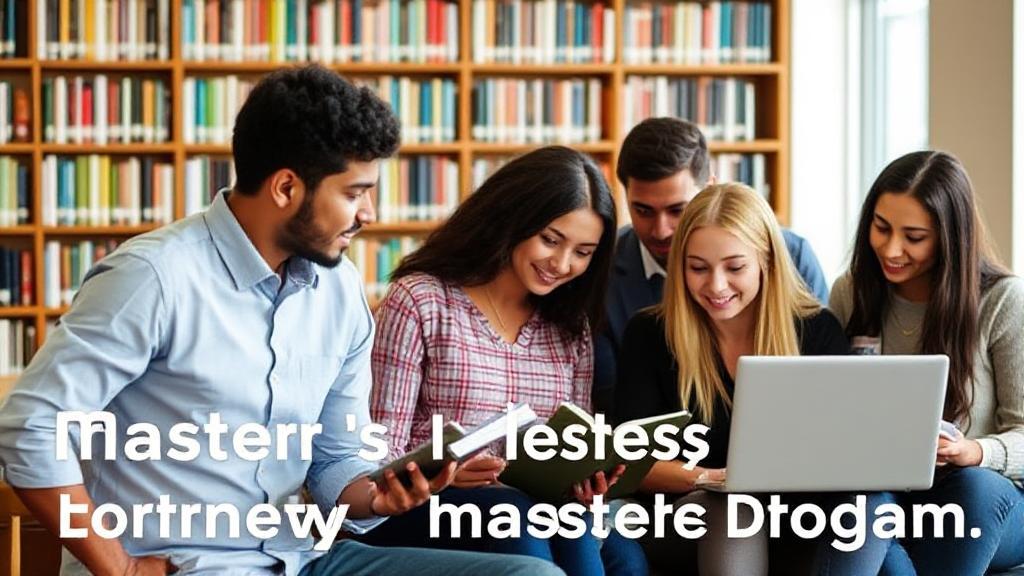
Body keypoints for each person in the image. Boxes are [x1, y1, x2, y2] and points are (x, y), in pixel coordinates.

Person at [0, 65, 563, 576]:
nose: (370, 214)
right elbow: (31, 426)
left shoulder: (337, 287)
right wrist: (118, 567)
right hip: (188, 564)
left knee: (530, 575)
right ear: (287, 187)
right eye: (355, 193)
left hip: (302, 557)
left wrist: (377, 495)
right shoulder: (152, 277)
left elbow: (338, 458)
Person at [363, 146, 647, 576]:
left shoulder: (570, 327)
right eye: (550, 240)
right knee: (514, 515)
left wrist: (586, 480)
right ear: (512, 217)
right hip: (424, 505)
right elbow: (379, 452)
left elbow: (573, 445)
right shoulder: (420, 300)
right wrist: (448, 474)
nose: (562, 263)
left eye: (583, 252)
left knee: (618, 549)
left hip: (531, 505)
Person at [613, 182, 849, 576]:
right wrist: (714, 478)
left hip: (793, 514)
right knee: (733, 506)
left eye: (735, 267)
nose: (716, 286)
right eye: (698, 268)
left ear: (767, 260)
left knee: (870, 519)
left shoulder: (816, 330)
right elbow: (633, 461)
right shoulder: (651, 334)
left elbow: (841, 448)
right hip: (686, 515)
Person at [827, 150, 1024, 576]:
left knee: (975, 489)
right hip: (887, 488)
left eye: (913, 237)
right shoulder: (851, 292)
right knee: (860, 507)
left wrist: (973, 451)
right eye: (881, 228)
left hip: (982, 495)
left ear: (950, 238)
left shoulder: (1003, 300)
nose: (891, 249)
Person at [594, 117, 828, 413]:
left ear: (710, 190)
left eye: (677, 210)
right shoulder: (603, 273)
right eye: (643, 210)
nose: (661, 230)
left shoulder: (792, 255)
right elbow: (611, 403)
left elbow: (824, 374)